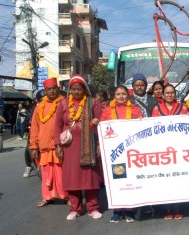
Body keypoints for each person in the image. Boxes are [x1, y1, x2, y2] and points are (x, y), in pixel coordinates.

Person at [54, 74, 103, 221]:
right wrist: (58, 145)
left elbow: (101, 123)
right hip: (69, 148)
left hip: (90, 144)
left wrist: (99, 142)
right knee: (72, 178)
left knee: (90, 178)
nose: (76, 91)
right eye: (73, 89)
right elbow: (57, 126)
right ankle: (75, 209)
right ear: (70, 90)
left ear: (84, 89)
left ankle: (93, 208)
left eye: (79, 88)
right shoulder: (63, 104)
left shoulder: (93, 102)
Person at [100, 85, 142, 223]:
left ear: (128, 95)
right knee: (117, 180)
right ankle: (117, 210)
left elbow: (140, 126)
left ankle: (129, 210)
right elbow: (102, 128)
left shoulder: (135, 109)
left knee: (129, 180)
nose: (121, 96)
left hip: (131, 151)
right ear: (114, 96)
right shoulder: (107, 110)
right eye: (118, 94)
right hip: (115, 153)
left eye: (124, 94)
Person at [29, 78, 68, 207]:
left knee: (61, 172)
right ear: (45, 91)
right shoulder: (39, 108)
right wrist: (33, 146)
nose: (52, 91)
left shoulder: (64, 103)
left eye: (54, 88)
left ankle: (66, 196)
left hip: (60, 146)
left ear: (57, 88)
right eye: (49, 89)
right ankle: (47, 197)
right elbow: (34, 128)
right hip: (44, 147)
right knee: (45, 174)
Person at [152, 83, 189, 220]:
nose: (169, 95)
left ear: (175, 94)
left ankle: (178, 207)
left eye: (172, 93)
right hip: (164, 150)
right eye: (167, 93)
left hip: (180, 148)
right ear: (162, 94)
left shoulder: (183, 108)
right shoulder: (156, 109)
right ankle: (167, 208)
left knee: (179, 179)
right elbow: (153, 129)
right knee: (166, 180)